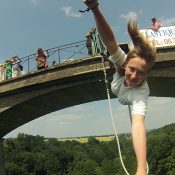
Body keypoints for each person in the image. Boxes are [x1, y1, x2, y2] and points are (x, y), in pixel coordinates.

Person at [82, 1, 156, 175]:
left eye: (141, 73)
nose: (134, 76)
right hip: (117, 82)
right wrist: (95, 8)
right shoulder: (122, 63)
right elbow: (110, 41)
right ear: (126, 66)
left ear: (147, 75)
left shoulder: (141, 92)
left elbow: (138, 125)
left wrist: (140, 167)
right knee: (113, 53)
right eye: (132, 69)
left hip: (127, 97)